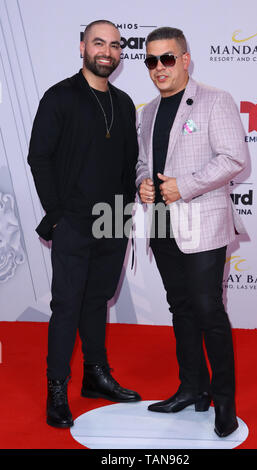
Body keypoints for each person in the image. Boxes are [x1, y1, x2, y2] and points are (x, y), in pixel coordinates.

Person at [136, 26, 249, 437]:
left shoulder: (215, 100)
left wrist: (185, 186)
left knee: (208, 312)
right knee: (180, 309)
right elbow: (143, 163)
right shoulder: (146, 111)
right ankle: (191, 388)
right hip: (163, 225)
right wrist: (143, 183)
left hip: (202, 222)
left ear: (185, 59)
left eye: (167, 58)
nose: (159, 68)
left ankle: (224, 402)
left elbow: (234, 158)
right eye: (151, 60)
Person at [28, 20, 140, 428]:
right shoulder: (59, 98)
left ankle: (95, 375)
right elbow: (39, 157)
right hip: (73, 221)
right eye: (98, 43)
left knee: (97, 301)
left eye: (114, 45)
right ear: (82, 47)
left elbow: (130, 164)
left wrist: (126, 210)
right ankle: (57, 386)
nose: (106, 51)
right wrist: (56, 215)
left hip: (113, 219)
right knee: (67, 306)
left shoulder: (125, 103)